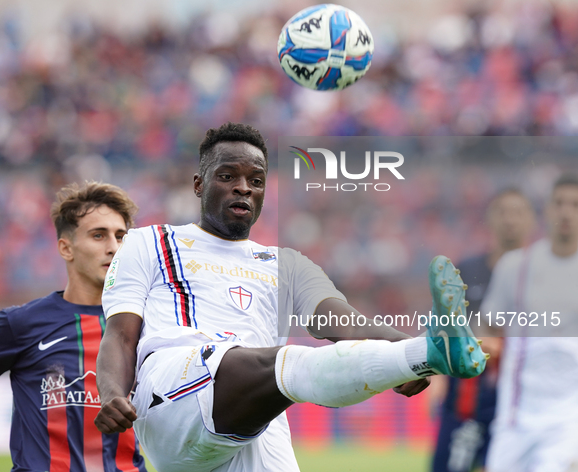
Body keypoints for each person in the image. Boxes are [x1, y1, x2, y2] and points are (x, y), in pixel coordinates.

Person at [94, 122, 488, 472]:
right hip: (170, 397)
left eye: (257, 180)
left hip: (254, 420)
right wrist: (112, 393)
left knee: (284, 369)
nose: (244, 187)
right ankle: (425, 353)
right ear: (199, 184)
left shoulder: (287, 264)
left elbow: (347, 325)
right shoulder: (150, 242)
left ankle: (428, 352)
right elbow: (120, 335)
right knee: (288, 363)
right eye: (228, 175)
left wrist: (420, 349)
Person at [0, 182, 147, 472]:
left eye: (121, 236)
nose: (113, 247)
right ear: (66, 248)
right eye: (99, 235)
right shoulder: (20, 324)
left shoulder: (149, 326)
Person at [431, 189, 535, 472]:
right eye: (503, 211)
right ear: (489, 219)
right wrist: (436, 377)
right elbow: (443, 328)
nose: (510, 220)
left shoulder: (541, 273)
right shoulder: (466, 270)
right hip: (468, 398)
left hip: (524, 400)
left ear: (531, 220)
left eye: (517, 212)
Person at [481, 174, 578, 472]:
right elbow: (488, 329)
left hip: (568, 420)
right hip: (515, 417)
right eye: (559, 203)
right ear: (546, 210)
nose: (566, 212)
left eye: (575, 205)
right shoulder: (516, 266)